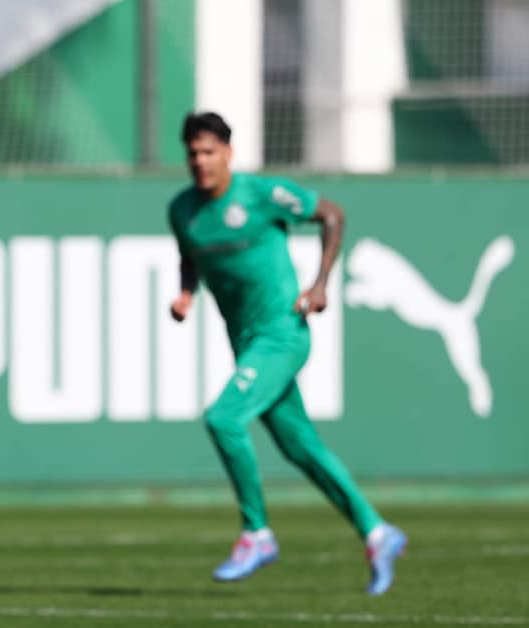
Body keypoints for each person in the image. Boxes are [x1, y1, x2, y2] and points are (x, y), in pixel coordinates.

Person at [166, 112, 405, 595]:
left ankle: (257, 534)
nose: (200, 161)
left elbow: (332, 214)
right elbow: (190, 255)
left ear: (228, 154)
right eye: (193, 153)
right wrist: (187, 292)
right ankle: (377, 532)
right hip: (245, 343)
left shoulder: (261, 194)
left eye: (209, 151)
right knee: (301, 447)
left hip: (281, 335)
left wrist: (320, 285)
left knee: (223, 419)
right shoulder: (183, 210)